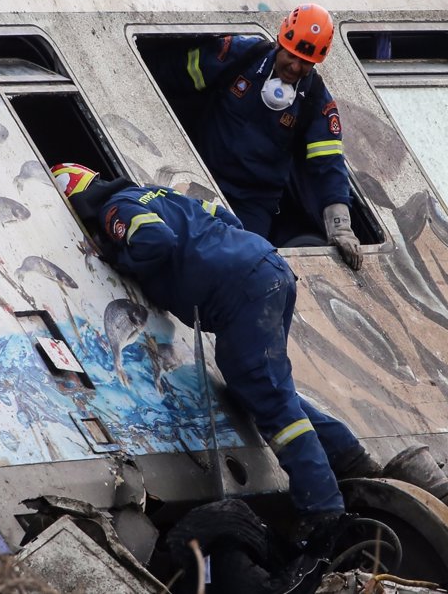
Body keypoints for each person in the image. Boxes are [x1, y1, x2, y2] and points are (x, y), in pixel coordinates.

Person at [51, 163, 381, 531]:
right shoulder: (161, 194)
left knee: (270, 399)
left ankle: (323, 513)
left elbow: (156, 242)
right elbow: (227, 219)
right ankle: (349, 458)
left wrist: (117, 258)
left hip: (240, 294)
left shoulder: (116, 209)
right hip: (267, 268)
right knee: (260, 387)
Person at [165, 3, 363, 270]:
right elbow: (174, 74)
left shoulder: (316, 102)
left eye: (306, 62)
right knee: (176, 248)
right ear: (281, 41)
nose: (294, 67)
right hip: (201, 177)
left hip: (253, 203)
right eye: (291, 56)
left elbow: (328, 167)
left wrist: (341, 227)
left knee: (243, 267)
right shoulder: (241, 56)